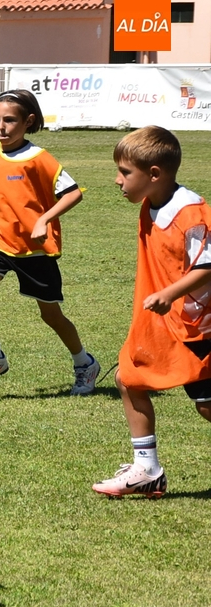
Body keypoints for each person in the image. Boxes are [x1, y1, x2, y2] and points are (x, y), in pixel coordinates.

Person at [93, 126, 211, 498]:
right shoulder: (150, 204)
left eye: (125, 172)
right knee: (130, 379)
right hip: (160, 323)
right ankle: (147, 469)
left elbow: (207, 266)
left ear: (154, 174)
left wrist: (170, 294)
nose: (117, 180)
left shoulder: (191, 214)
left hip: (195, 327)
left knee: (207, 405)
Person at [0, 89, 100, 394]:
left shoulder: (39, 159)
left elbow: (73, 193)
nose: (1, 127)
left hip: (36, 250)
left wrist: (43, 219)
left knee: (50, 315)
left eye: (9, 120)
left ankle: (84, 363)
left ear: (28, 121)